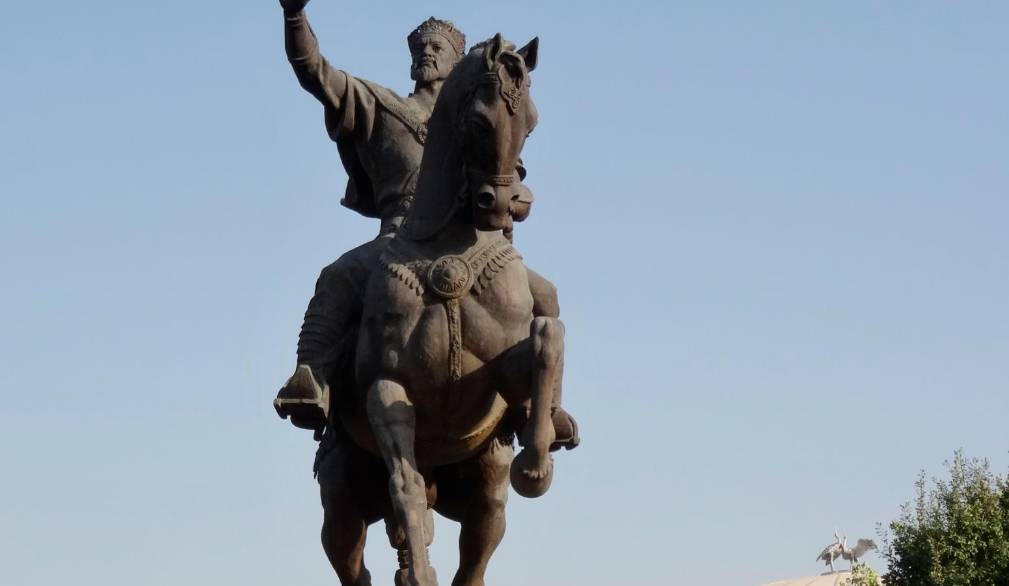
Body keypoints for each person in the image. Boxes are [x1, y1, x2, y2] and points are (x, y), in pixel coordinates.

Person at [273, 0, 578, 451]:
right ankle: (312, 378)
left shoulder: (480, 116)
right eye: (421, 47)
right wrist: (295, 16)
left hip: (477, 242)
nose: (427, 53)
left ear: (458, 63)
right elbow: (314, 71)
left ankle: (543, 406)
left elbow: (506, 173)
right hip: (400, 238)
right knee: (337, 277)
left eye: (438, 47)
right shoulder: (382, 106)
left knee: (546, 294)